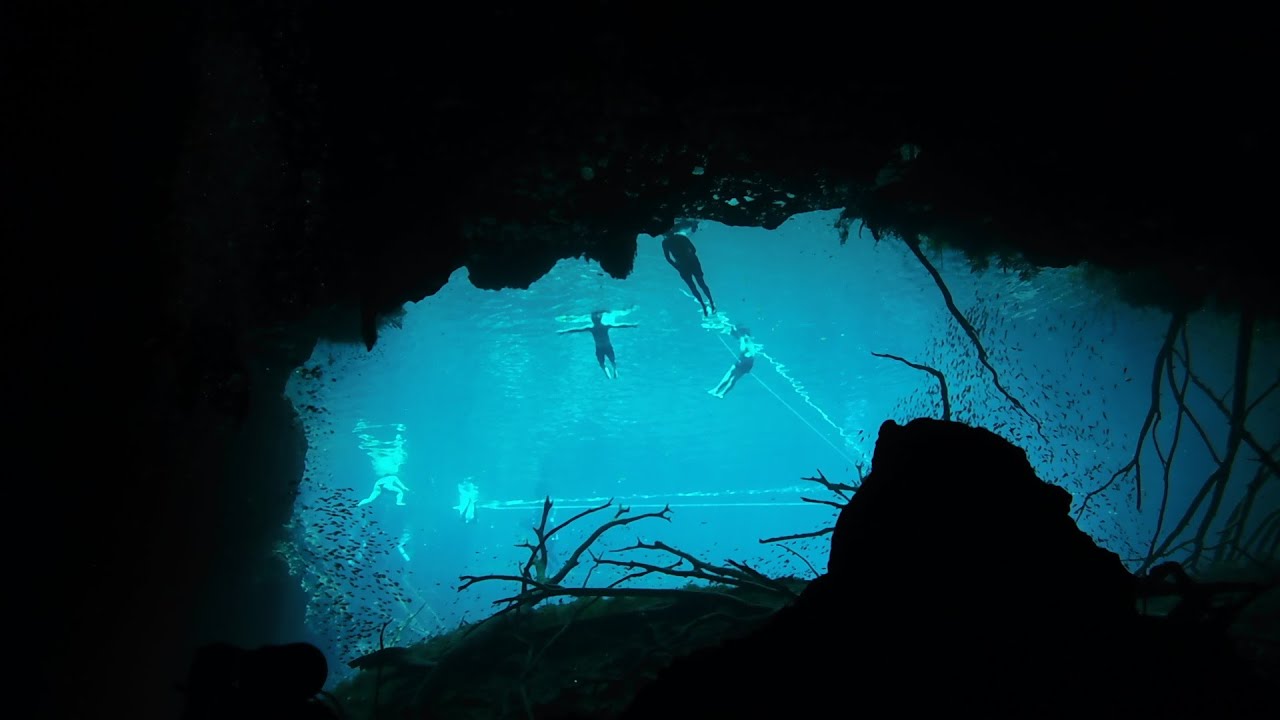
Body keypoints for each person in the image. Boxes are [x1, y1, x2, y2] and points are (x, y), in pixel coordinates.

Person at [558, 310, 638, 379]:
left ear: (593, 321)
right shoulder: (602, 327)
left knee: (606, 362)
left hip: (601, 348)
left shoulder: (595, 328)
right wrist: (632, 325)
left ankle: (613, 371)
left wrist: (564, 331)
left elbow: (577, 330)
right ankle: (612, 371)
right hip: (605, 347)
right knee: (609, 361)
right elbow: (620, 326)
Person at [661, 228, 716, 316]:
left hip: (682, 265)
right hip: (692, 261)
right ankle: (711, 302)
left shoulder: (665, 243)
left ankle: (703, 305)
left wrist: (677, 266)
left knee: (692, 287)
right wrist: (688, 254)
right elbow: (694, 250)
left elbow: (668, 258)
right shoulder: (681, 237)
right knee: (701, 283)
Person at [709, 325, 757, 398]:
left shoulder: (745, 339)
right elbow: (752, 354)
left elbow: (742, 350)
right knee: (732, 377)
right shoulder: (748, 339)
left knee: (731, 376)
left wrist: (741, 340)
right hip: (747, 362)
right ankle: (719, 392)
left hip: (744, 361)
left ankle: (718, 391)